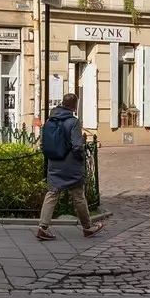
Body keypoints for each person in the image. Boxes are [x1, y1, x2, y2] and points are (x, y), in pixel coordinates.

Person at [34, 92, 103, 241]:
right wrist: (81, 159)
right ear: (74, 106)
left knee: (52, 194)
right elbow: (77, 146)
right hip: (71, 164)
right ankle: (87, 227)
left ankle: (42, 227)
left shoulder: (50, 120)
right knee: (78, 196)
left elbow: (43, 143)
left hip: (54, 162)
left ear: (62, 103)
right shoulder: (73, 122)